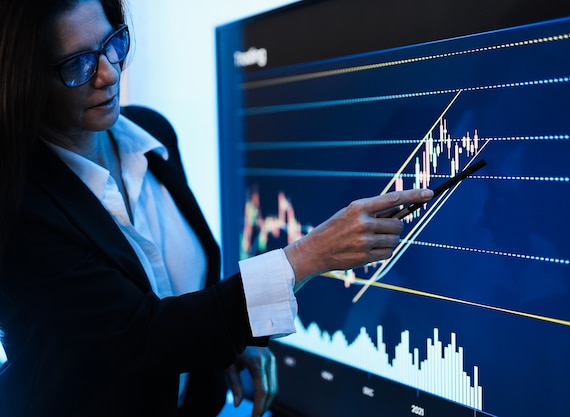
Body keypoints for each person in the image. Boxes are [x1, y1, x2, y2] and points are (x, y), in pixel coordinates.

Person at [0, 0, 434, 416]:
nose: (109, 73)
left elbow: (184, 296)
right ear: (23, 81)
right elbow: (146, 336)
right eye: (77, 65)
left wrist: (227, 339)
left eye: (112, 44)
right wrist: (308, 255)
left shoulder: (152, 136)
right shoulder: (20, 208)